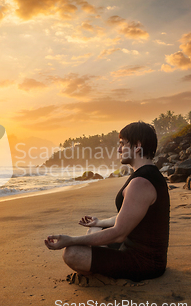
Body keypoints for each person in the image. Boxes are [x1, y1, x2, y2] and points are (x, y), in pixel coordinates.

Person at [44, 121, 170, 282]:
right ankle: (99, 255)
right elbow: (126, 217)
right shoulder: (146, 175)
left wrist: (71, 240)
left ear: (137, 146)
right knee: (95, 228)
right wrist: (100, 221)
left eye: (122, 144)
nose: (119, 149)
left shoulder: (141, 183)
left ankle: (98, 269)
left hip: (144, 263)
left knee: (72, 253)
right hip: (130, 246)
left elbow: (119, 233)